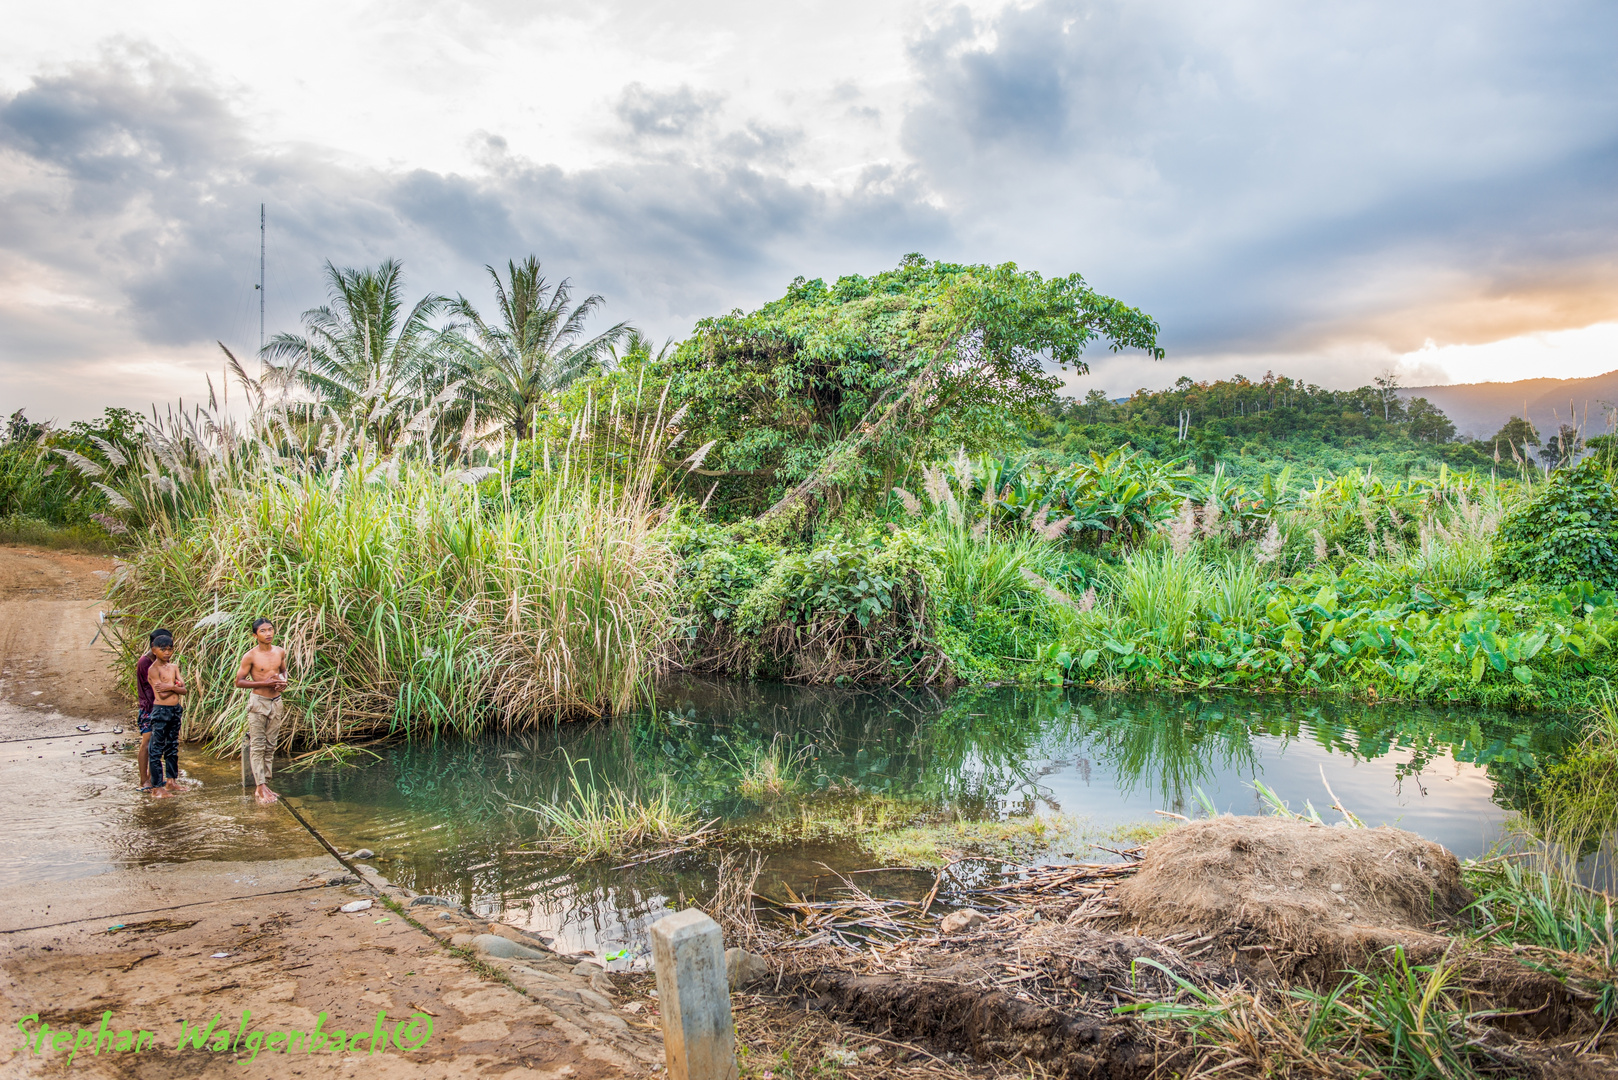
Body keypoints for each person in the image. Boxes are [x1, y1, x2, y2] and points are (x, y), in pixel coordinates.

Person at [235, 617, 288, 805]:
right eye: (263, 631)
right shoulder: (250, 656)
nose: (268, 634)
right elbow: (239, 681)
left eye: (271, 630)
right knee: (258, 744)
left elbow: (284, 670)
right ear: (255, 635)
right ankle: (260, 786)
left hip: (276, 702)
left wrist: (283, 681)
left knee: (271, 744)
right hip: (258, 702)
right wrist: (263, 683)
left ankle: (265, 782)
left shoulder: (280, 652)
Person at [146, 633, 188, 795]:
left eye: (170, 649)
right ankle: (157, 787)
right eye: (163, 650)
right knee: (156, 749)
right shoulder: (153, 670)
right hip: (161, 710)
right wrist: (175, 686)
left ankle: (171, 780)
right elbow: (161, 694)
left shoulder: (173, 667)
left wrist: (170, 686)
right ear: (154, 650)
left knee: (172, 745)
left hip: (174, 709)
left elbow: (183, 690)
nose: (167, 653)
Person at [134, 627, 170, 790]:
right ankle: (144, 780)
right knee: (147, 742)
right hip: (149, 708)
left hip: (157, 707)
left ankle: (151, 777)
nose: (167, 651)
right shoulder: (145, 662)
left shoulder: (159, 661)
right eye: (163, 648)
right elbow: (150, 689)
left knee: (156, 743)